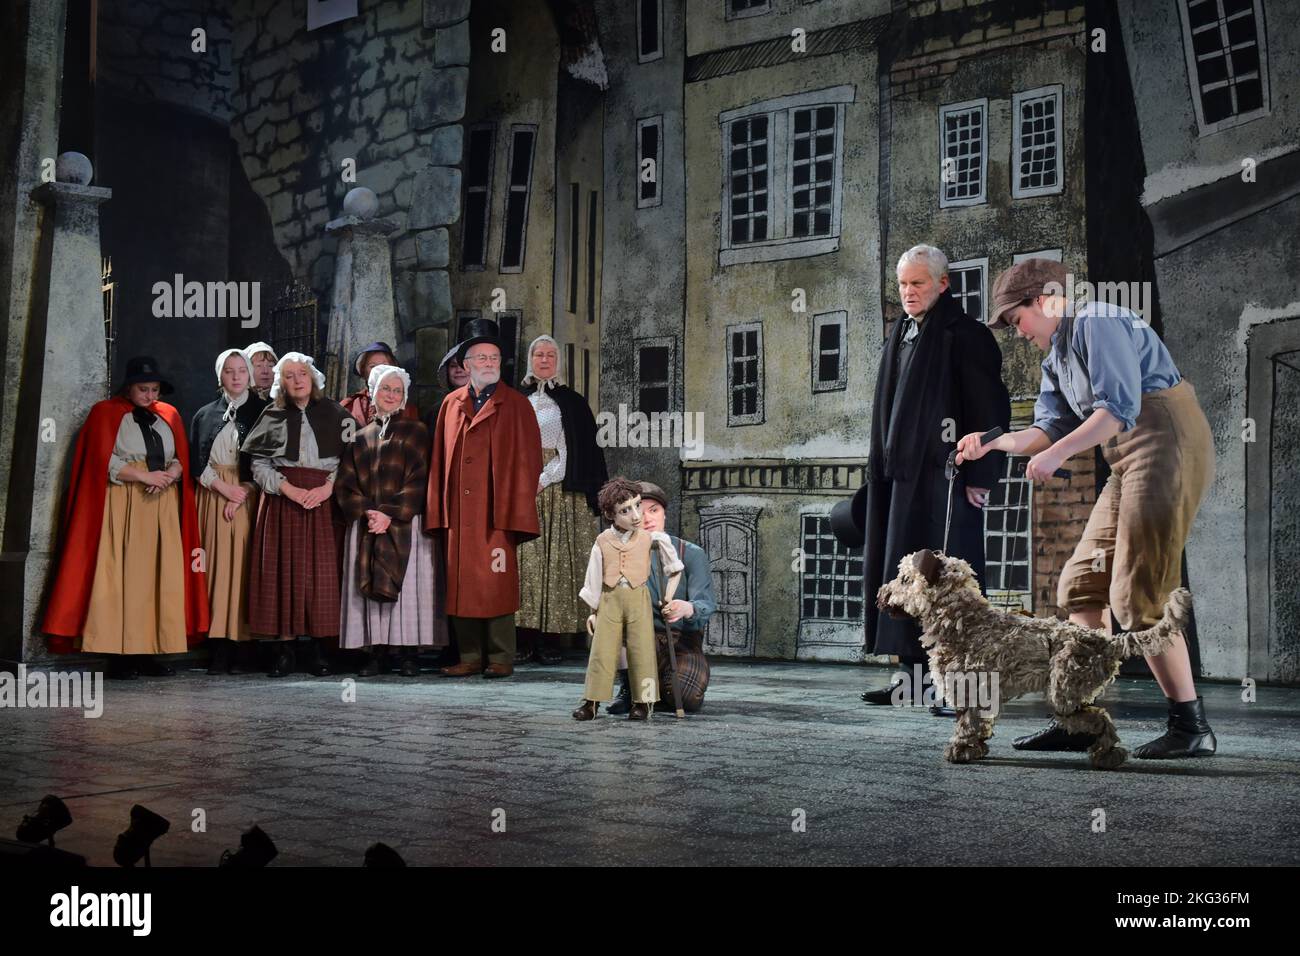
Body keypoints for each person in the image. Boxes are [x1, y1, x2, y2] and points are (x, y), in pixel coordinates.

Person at [956, 258, 1217, 759]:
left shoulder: (1099, 320)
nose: (1017, 331)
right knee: (1080, 583)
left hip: (1168, 442)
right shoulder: (1055, 356)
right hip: (1125, 459)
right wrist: (995, 444)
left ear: (1043, 301)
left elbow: (1118, 410)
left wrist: (1056, 455)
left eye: (1016, 319)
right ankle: (1078, 717)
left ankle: (1191, 725)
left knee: (1138, 593)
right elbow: (1046, 429)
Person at [858, 244, 1010, 713]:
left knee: (949, 583)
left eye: (918, 283)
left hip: (947, 480)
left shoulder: (966, 335)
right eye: (903, 284)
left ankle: (965, 689)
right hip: (901, 481)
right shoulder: (902, 331)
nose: (908, 292)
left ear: (944, 284)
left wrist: (981, 474)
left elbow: (990, 410)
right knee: (906, 579)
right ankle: (915, 683)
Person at [41, 355, 209, 678]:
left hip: (162, 506)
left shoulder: (168, 416)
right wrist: (144, 476)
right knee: (123, 578)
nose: (150, 396)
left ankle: (149, 652)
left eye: (155, 389)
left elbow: (179, 458)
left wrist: (173, 471)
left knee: (156, 578)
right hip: (125, 502)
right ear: (129, 388)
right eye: (144, 389)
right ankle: (119, 655)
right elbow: (101, 460)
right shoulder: (105, 414)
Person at [425, 319, 542, 678]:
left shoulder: (517, 404)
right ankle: (470, 656)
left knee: (496, 580)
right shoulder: (451, 403)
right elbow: (439, 460)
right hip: (460, 512)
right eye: (482, 357)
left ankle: (501, 656)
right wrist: (438, 509)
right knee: (461, 583)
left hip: (496, 511)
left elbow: (531, 461)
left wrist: (516, 507)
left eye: (494, 357)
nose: (490, 363)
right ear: (467, 365)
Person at [242, 352, 352, 678]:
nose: (297, 380)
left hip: (322, 499)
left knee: (319, 576)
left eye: (302, 373)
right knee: (283, 572)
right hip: (282, 500)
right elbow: (258, 465)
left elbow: (351, 460)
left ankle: (317, 650)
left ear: (312, 376)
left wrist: (328, 488)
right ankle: (285, 650)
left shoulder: (335, 413)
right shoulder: (273, 415)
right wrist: (286, 489)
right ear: (282, 383)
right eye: (289, 375)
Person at [335, 364, 448, 675]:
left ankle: (408, 653)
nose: (391, 395)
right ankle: (376, 652)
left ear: (404, 396)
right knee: (370, 587)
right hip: (369, 525)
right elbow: (345, 484)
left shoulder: (416, 431)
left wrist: (390, 513)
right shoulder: (360, 437)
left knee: (410, 591)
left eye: (397, 390)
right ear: (373, 392)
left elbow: (421, 479)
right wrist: (369, 512)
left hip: (405, 523)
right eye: (386, 388)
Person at [515, 335, 607, 664]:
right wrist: (522, 480)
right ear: (530, 359)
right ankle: (523, 638)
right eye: (538, 354)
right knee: (526, 563)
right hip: (521, 486)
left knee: (557, 563)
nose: (544, 359)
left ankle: (552, 640)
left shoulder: (571, 402)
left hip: (559, 488)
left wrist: (542, 479)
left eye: (550, 354)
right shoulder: (516, 399)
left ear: (558, 361)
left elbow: (573, 449)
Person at [572, 478, 684, 722]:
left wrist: (667, 596)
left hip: (637, 597)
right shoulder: (602, 540)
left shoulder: (649, 538)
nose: (635, 516)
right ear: (610, 514)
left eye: (637, 506)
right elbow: (593, 576)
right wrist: (593, 610)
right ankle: (591, 702)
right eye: (626, 510)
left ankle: (643, 703)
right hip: (610, 598)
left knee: (641, 649)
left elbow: (674, 568)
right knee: (602, 651)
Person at [189, 347, 269, 673]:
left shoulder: (266, 412)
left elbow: (271, 460)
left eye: (241, 370)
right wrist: (224, 489)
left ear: (249, 374)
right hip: (214, 496)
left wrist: (244, 491)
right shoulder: (205, 414)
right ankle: (218, 645)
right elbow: (197, 461)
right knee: (216, 568)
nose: (236, 377)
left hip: (251, 496)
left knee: (246, 569)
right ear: (219, 375)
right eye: (229, 371)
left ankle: (245, 644)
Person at [606, 481, 717, 714]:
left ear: (665, 513)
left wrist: (686, 608)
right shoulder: (619, 554)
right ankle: (629, 687)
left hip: (680, 642)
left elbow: (705, 603)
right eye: (638, 511)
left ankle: (657, 686)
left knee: (685, 697)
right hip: (637, 640)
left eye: (653, 510)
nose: (646, 519)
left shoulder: (691, 553)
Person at [341, 341, 421, 427]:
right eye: (372, 366)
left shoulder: (407, 409)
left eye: (384, 365)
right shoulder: (349, 406)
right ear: (363, 372)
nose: (379, 370)